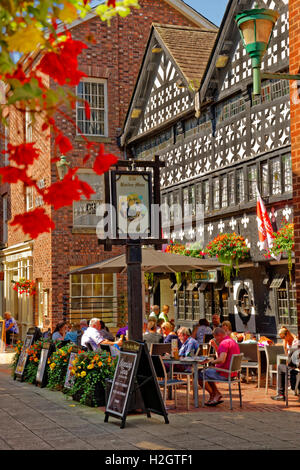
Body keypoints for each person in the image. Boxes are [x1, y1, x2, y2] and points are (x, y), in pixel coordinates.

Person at [199, 327, 240, 406]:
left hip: (225, 373)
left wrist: (211, 362)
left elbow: (221, 359)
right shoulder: (231, 341)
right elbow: (221, 356)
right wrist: (215, 346)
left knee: (199, 374)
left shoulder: (224, 343)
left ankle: (213, 394)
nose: (215, 339)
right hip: (233, 373)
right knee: (207, 372)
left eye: (215, 337)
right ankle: (216, 394)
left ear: (219, 335)